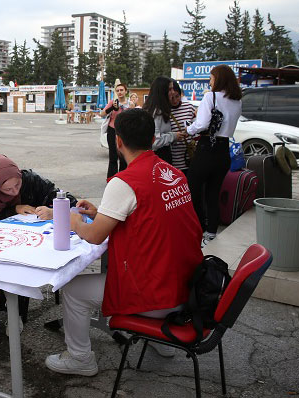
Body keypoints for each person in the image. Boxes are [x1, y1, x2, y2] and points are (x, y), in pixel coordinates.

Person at [44, 108, 203, 377]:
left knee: (72, 290)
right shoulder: (174, 174)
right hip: (189, 288)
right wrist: (100, 213)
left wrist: (73, 222)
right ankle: (163, 341)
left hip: (157, 296)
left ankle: (80, 358)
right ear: (153, 139)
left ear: (118, 141)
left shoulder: (125, 181)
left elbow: (95, 236)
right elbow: (150, 216)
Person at [0, 154, 77, 333]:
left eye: (17, 185)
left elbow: (66, 198)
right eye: (8, 189)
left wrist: (53, 210)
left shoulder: (30, 180)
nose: (14, 191)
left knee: (22, 264)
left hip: (27, 238)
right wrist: (13, 209)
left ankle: (17, 314)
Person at [186, 64, 242, 247]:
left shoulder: (211, 97)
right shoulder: (237, 101)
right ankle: (211, 233)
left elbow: (202, 124)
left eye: (211, 78)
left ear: (219, 79)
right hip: (223, 150)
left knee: (193, 190)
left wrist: (189, 129)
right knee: (212, 193)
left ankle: (197, 229)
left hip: (206, 147)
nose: (209, 82)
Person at [143, 76, 188, 165]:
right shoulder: (157, 112)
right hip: (160, 156)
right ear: (162, 91)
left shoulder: (158, 109)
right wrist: (173, 136)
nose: (173, 92)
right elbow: (155, 142)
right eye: (170, 89)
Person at [99, 82, 134, 177]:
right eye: (117, 90)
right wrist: (112, 108)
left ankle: (122, 178)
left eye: (122, 90)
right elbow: (102, 114)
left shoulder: (130, 104)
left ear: (126, 91)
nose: (120, 92)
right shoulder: (112, 102)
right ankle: (111, 178)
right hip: (112, 130)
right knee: (113, 156)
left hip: (124, 132)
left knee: (123, 156)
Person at [168, 79, 196, 176]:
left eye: (177, 96)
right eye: (171, 97)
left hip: (191, 156)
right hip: (175, 160)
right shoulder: (165, 111)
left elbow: (197, 126)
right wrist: (174, 136)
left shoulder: (189, 107)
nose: (175, 100)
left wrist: (191, 131)